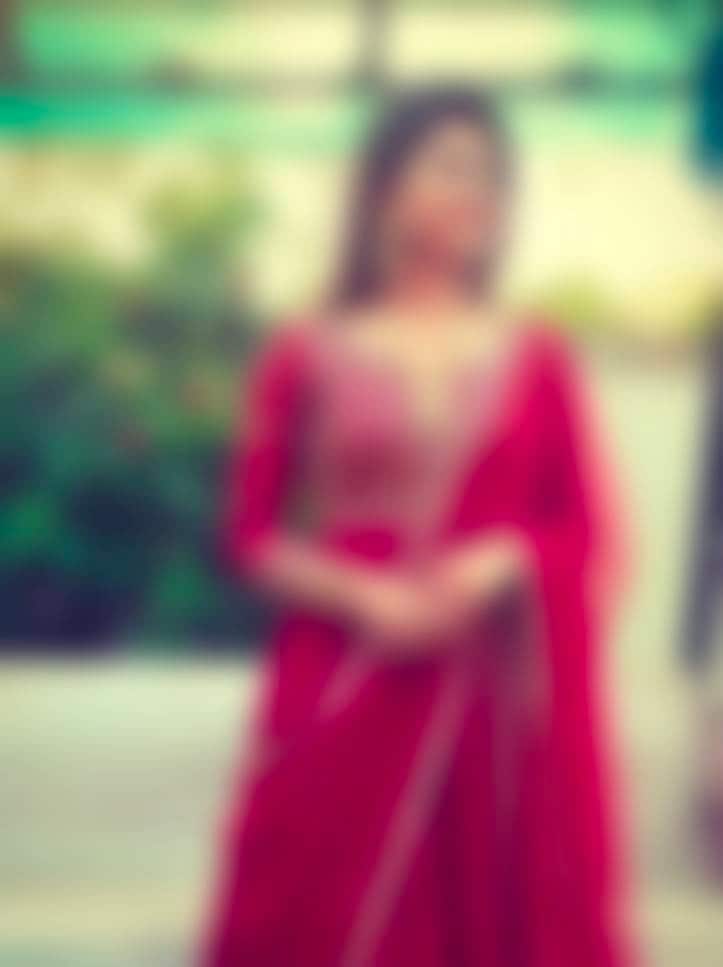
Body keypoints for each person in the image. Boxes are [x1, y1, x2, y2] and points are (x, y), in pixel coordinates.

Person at [200, 87, 633, 967]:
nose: (478, 193)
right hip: (346, 679)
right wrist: (364, 598)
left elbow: (588, 527)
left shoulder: (536, 358)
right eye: (450, 167)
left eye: (490, 175)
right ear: (381, 185)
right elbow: (249, 536)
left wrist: (509, 556)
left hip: (490, 706)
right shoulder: (306, 350)